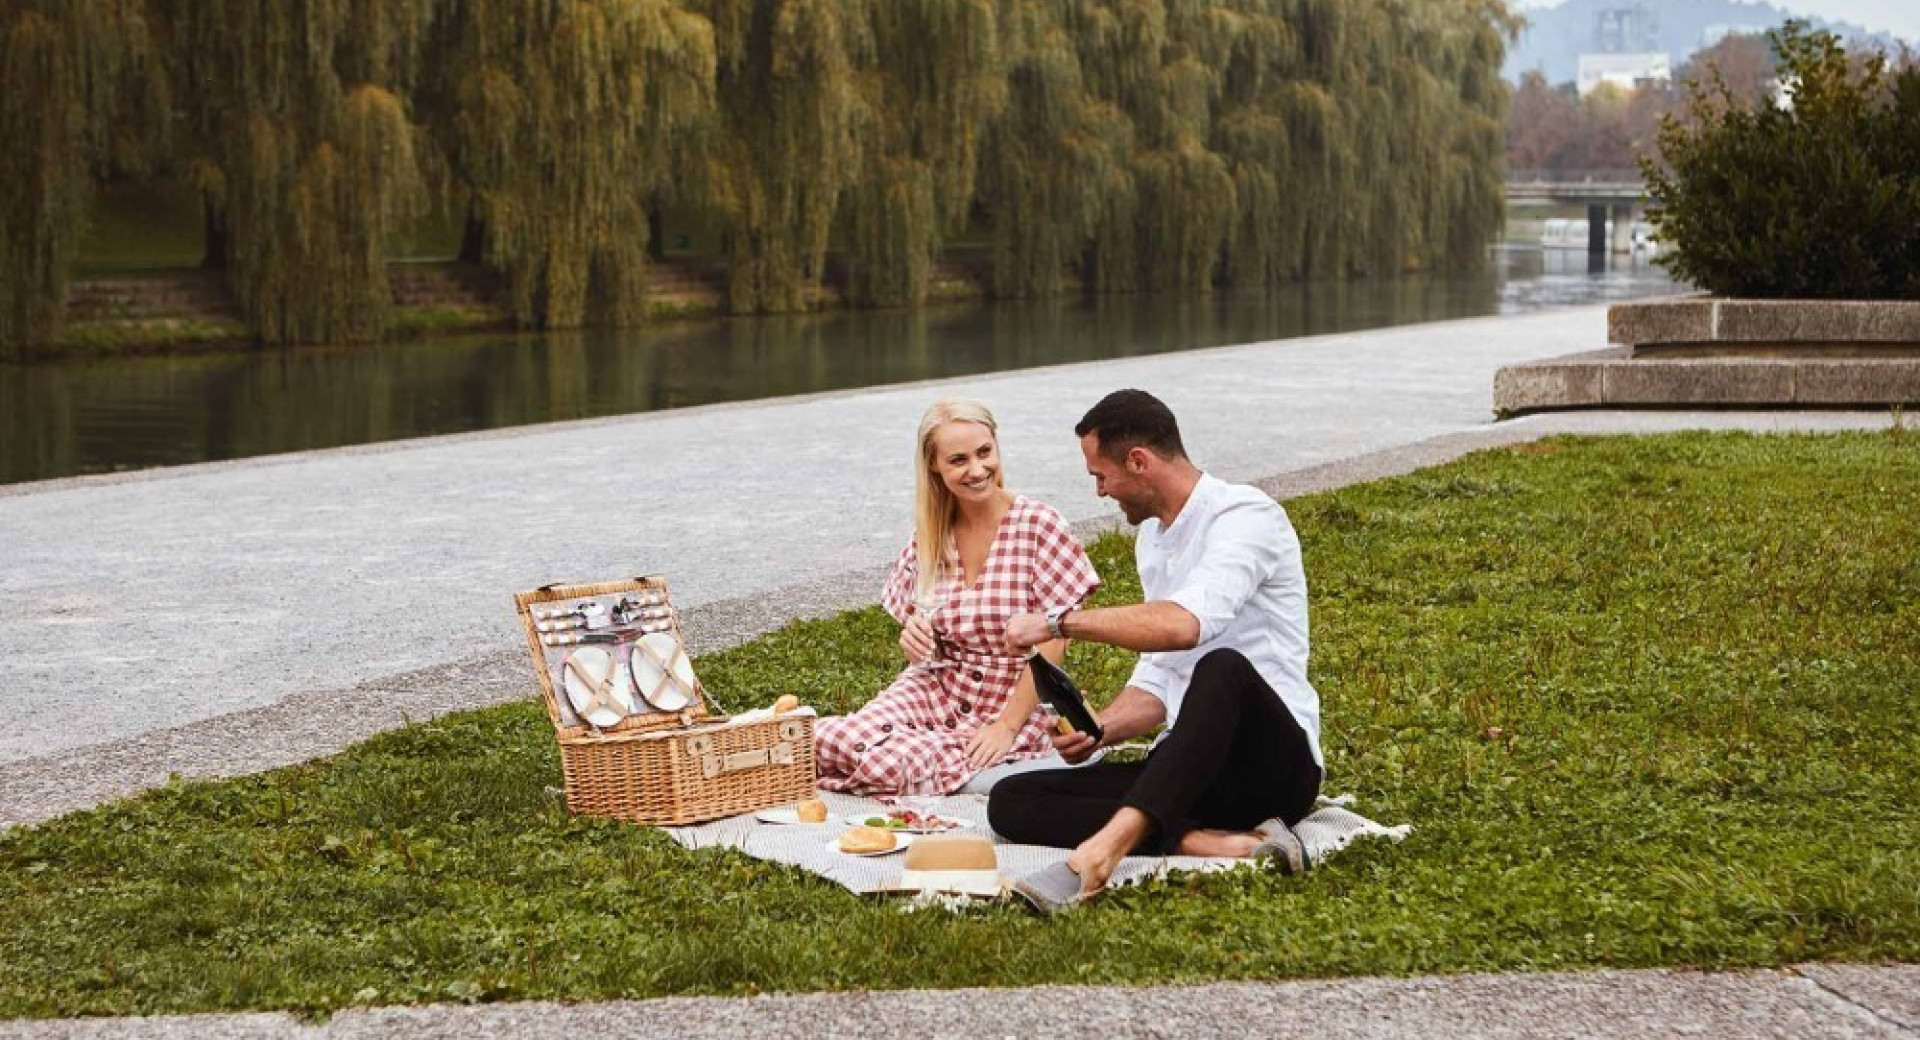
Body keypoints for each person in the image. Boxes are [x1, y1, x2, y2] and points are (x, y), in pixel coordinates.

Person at [991, 388, 1323, 899]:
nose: (1101, 492)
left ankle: (1103, 851)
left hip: (1273, 768)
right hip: (1190, 772)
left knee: (1223, 666)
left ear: (1139, 461)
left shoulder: (1245, 517)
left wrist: (1058, 623)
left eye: (1101, 476)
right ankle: (1211, 843)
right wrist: (1101, 731)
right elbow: (1161, 673)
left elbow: (1185, 626)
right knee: (1012, 798)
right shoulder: (1154, 539)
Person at [814, 398, 1101, 797]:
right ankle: (928, 764)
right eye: (959, 460)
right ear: (934, 465)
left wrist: (1006, 726)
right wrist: (914, 636)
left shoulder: (1040, 525)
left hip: (1015, 696)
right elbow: (923, 639)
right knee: (823, 739)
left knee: (888, 760)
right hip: (938, 688)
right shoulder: (931, 534)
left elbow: (1056, 638)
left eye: (985, 453)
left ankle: (925, 764)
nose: (978, 470)